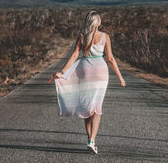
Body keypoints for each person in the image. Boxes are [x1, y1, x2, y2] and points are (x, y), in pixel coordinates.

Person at [52, 10, 126, 154]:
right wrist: (120, 77)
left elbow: (74, 55)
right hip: (100, 72)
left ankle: (89, 140)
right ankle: (92, 140)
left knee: (86, 106)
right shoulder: (105, 36)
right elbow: (110, 59)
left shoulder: (81, 36)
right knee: (96, 107)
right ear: (98, 22)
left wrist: (62, 72)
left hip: (85, 71)